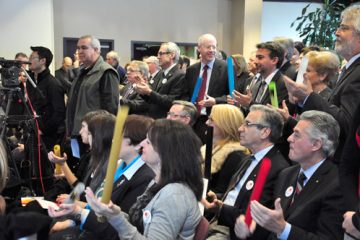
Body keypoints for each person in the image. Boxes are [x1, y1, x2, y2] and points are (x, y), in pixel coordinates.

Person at [51, 120, 204, 239]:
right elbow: (134, 222)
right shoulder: (160, 183)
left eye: (149, 142)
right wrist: (80, 212)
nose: (142, 143)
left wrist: (111, 215)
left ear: (165, 152)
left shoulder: (174, 195)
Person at [49, 115, 155, 239]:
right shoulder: (105, 161)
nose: (81, 132)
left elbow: (120, 226)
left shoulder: (141, 177)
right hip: (92, 225)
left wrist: (76, 212)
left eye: (119, 136)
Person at [245, 111, 344, 240]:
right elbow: (273, 226)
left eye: (296, 135)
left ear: (316, 144)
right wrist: (249, 227)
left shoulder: (337, 184)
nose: (289, 138)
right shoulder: (287, 174)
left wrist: (284, 229)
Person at [284, 4, 360, 163]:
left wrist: (309, 96)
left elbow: (347, 124)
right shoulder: (350, 68)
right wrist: (303, 100)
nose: (336, 32)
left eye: (344, 28)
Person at [203, 105, 289, 240]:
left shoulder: (277, 169)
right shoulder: (248, 159)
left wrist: (220, 208)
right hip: (218, 221)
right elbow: (236, 195)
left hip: (236, 232)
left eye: (247, 124)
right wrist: (217, 198)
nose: (240, 128)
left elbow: (256, 215)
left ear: (265, 132)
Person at [66, 35, 119, 152]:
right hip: (77, 133)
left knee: (90, 169)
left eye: (84, 48)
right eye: (78, 48)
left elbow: (111, 110)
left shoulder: (106, 72)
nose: (79, 51)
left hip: (94, 136)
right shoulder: (81, 72)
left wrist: (103, 137)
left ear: (96, 50)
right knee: (77, 168)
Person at [184, 33, 229, 142]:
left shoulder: (227, 68)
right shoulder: (192, 70)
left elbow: (232, 96)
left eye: (214, 47)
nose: (212, 50)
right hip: (193, 121)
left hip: (215, 121)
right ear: (199, 48)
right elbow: (186, 94)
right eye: (208, 47)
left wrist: (215, 101)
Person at [202, 104, 250, 194]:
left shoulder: (236, 156)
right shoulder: (208, 147)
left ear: (224, 125)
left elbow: (222, 192)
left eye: (211, 120)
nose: (207, 123)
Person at [231, 41, 288, 114]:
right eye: (256, 57)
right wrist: (240, 103)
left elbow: (273, 114)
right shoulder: (258, 81)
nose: (255, 61)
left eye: (260, 58)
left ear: (274, 60)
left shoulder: (280, 83)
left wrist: (250, 104)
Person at [27, 46, 66, 150]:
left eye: (32, 57)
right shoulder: (30, 81)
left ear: (43, 61)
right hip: (32, 133)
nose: (29, 60)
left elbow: (59, 112)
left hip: (47, 138)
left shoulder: (53, 84)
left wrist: (44, 130)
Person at [134, 42, 185, 119]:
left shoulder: (179, 75)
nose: (158, 57)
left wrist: (149, 92)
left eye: (161, 54)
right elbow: (152, 98)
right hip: (153, 118)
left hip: (166, 120)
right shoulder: (160, 73)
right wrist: (142, 91)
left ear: (172, 55)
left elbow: (172, 101)